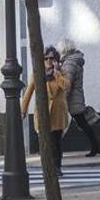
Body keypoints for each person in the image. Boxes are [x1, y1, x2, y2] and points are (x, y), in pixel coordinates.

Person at [21, 46, 69, 176]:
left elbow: (66, 86)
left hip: (57, 113)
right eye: (46, 58)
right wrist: (23, 110)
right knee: (45, 142)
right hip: (43, 112)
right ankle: (48, 167)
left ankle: (57, 167)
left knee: (56, 142)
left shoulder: (61, 72)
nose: (48, 61)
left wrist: (57, 74)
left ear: (56, 60)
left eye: (51, 58)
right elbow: (28, 92)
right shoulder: (38, 73)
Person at [57, 38, 100, 157]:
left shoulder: (69, 63)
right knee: (82, 123)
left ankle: (95, 146)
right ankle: (96, 146)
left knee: (81, 123)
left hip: (72, 99)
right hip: (76, 97)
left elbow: (67, 84)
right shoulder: (73, 61)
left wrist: (63, 99)